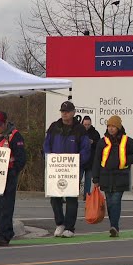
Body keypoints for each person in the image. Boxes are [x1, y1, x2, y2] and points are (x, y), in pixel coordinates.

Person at [43, 100, 91, 238]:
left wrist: (77, 162)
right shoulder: (54, 127)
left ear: (73, 113)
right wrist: (49, 158)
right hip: (56, 169)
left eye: (67, 111)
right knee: (55, 198)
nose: (65, 114)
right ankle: (60, 223)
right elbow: (46, 145)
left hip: (72, 170)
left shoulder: (80, 129)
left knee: (71, 199)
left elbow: (85, 149)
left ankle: (70, 227)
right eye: (63, 111)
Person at [92, 115, 133, 237]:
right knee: (109, 202)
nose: (111, 128)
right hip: (105, 176)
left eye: (113, 126)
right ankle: (113, 226)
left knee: (115, 201)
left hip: (121, 176)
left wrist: (125, 160)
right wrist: (95, 179)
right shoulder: (102, 142)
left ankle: (115, 226)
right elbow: (96, 161)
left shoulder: (127, 141)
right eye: (109, 126)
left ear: (118, 127)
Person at [0, 111, 26, 247]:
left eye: (0, 125)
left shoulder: (15, 136)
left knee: (5, 206)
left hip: (8, 174)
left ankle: (3, 235)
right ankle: (4, 228)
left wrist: (14, 172)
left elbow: (21, 158)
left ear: (5, 123)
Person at [81, 115, 101, 199]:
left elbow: (99, 145)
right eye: (85, 124)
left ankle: (86, 195)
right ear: (82, 123)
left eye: (88, 124)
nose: (86, 126)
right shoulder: (78, 132)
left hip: (90, 160)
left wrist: (93, 142)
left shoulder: (95, 133)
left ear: (91, 124)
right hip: (81, 160)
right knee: (77, 179)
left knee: (88, 180)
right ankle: (73, 195)